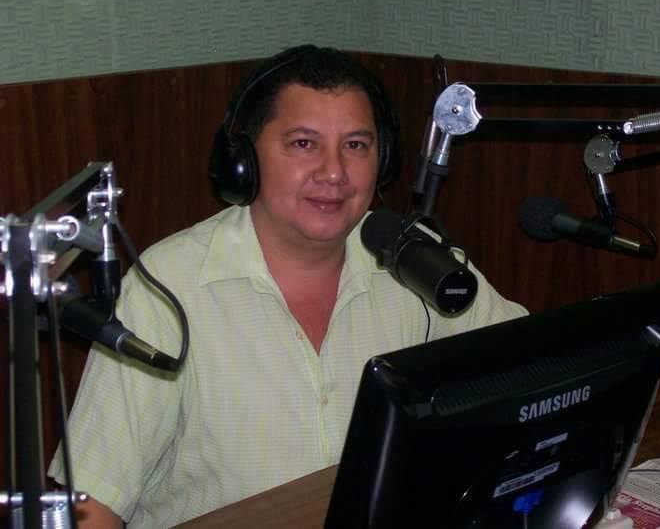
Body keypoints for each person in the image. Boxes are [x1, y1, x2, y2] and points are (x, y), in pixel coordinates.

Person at [48, 45, 527, 528]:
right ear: (244, 162)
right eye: (303, 144)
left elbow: (533, 372)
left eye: (356, 146)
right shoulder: (167, 286)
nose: (334, 172)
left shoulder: (415, 260)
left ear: (382, 161)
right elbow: (89, 507)